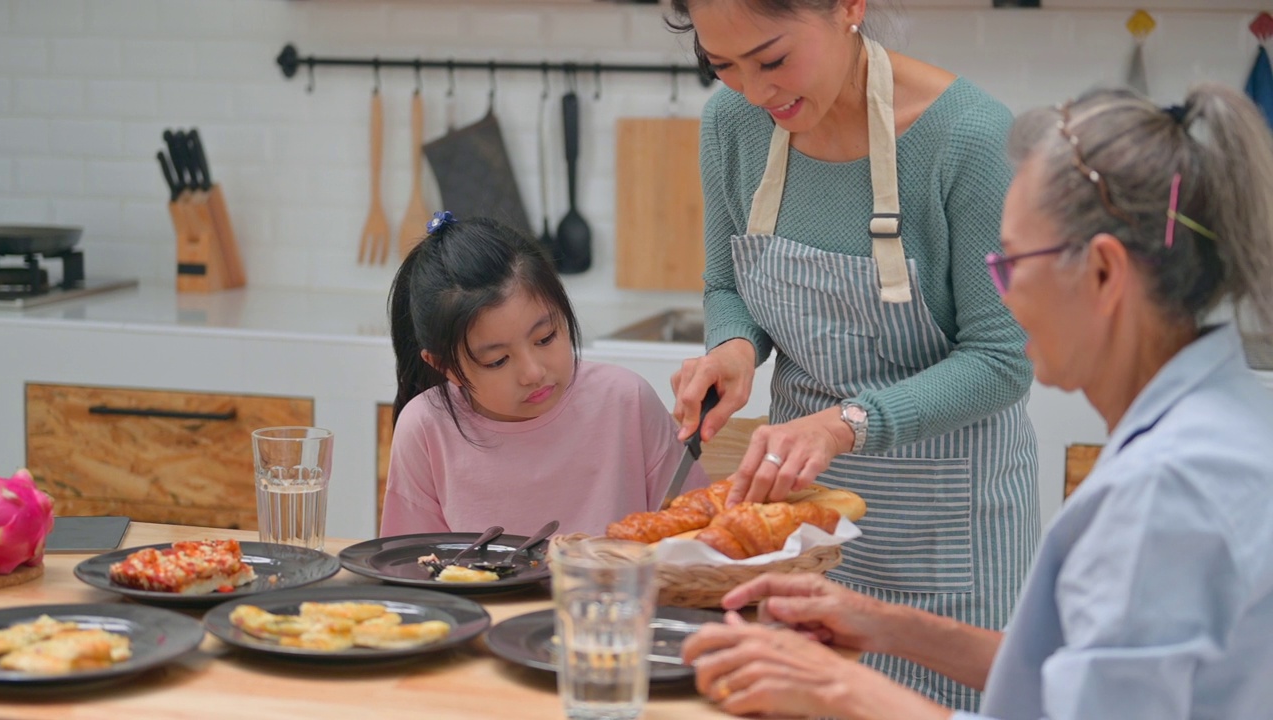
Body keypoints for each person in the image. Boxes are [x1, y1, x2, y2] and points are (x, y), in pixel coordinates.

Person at [682, 83, 1273, 720]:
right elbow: (1077, 681)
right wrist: (885, 626)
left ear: (1103, 274)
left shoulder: (1169, 487)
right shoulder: (1216, 422)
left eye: (1013, 262)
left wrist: (840, 692)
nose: (1003, 296)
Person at [666, 0, 1038, 708]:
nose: (754, 90)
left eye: (772, 60)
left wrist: (843, 425)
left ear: (848, 6)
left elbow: (1001, 358)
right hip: (797, 527)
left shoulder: (971, 138)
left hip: (948, 534)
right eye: (724, 66)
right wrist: (735, 347)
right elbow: (725, 285)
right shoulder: (732, 125)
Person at [379, 213, 708, 538]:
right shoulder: (425, 428)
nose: (533, 373)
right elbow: (415, 567)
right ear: (445, 366)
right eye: (497, 360)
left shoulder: (626, 400)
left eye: (546, 338)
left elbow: (697, 529)